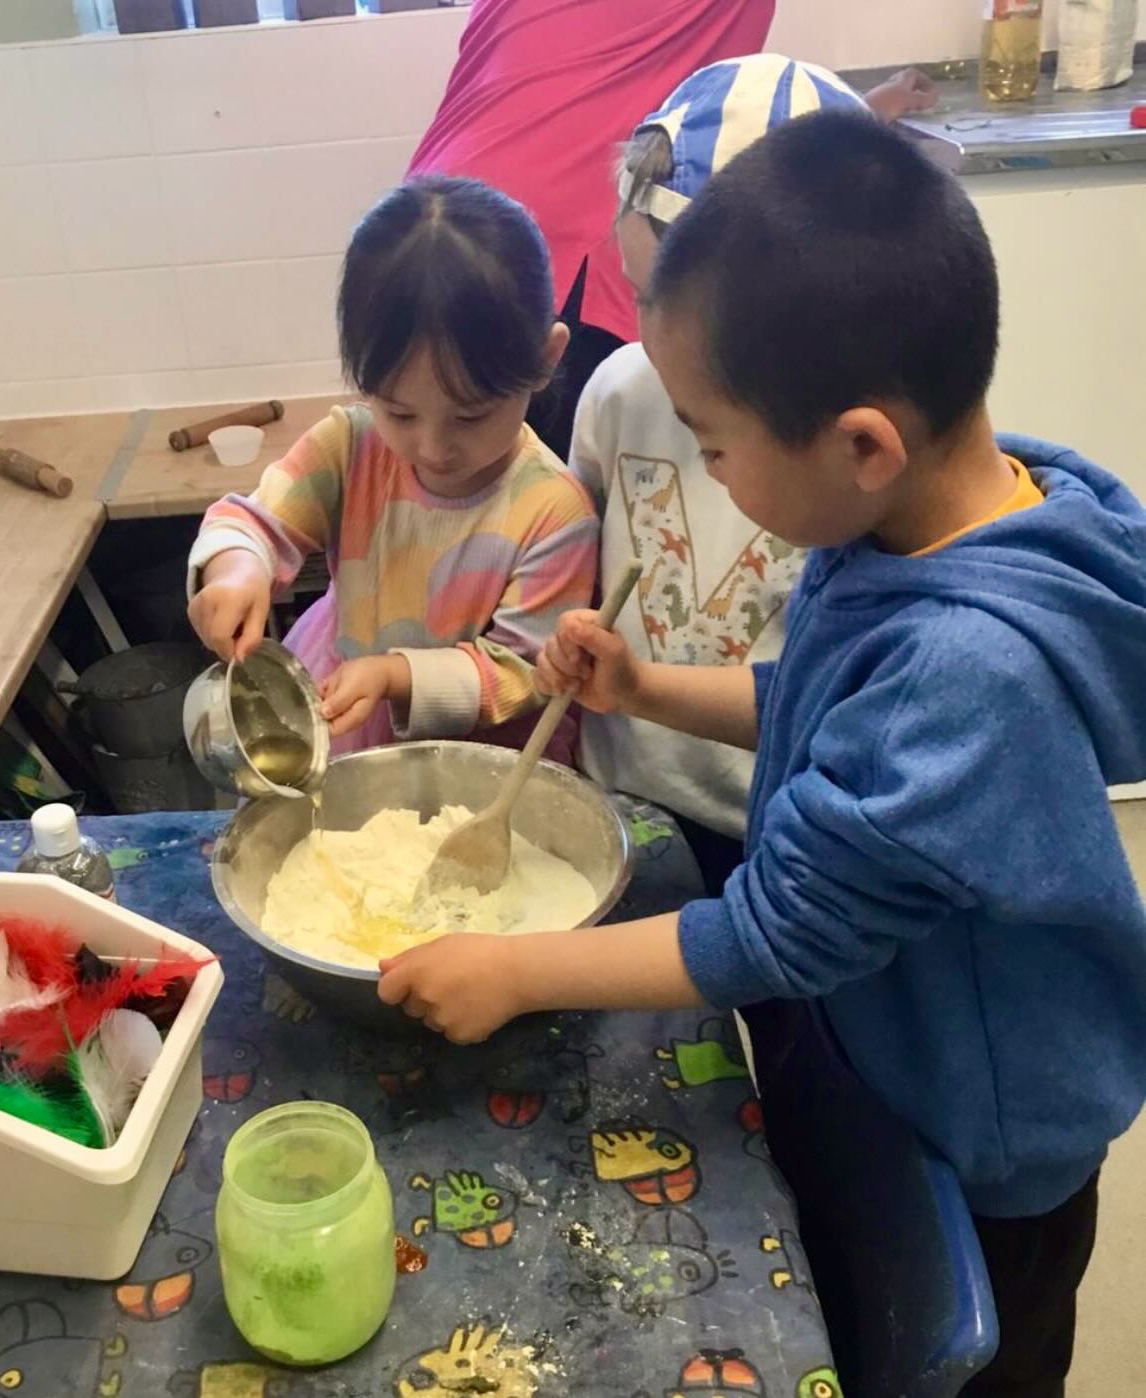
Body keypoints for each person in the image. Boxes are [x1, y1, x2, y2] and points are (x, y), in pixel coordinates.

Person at [378, 114, 1146, 1395]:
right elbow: (828, 703)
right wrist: (649, 686)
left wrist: (516, 967)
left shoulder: (973, 672)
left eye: (715, 443)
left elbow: (773, 934)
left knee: (972, 1366)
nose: (709, 471)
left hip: (988, 1135)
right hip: (899, 1041)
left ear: (860, 444)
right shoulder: (926, 518)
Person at [572, 52, 870, 895]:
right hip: (624, 802)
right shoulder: (620, 390)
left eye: (677, 315)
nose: (651, 347)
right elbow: (574, 548)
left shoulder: (848, 465)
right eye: (636, 297)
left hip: (775, 832)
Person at [407, 0, 936, 456]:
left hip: (431, 217)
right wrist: (848, 123)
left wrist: (851, 111)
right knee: (552, 524)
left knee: (430, 491)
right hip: (563, 230)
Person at [187, 177, 598, 762]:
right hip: (342, 722)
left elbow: (521, 671)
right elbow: (252, 521)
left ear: (545, 358)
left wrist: (395, 675)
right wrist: (235, 571)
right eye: (399, 412)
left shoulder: (554, 513)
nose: (432, 447)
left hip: (473, 763)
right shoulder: (349, 446)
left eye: (470, 417)